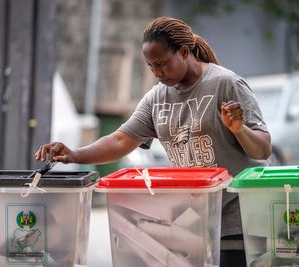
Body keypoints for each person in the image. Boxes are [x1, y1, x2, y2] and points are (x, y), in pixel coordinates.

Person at [35, 16, 271, 266]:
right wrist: (75, 154)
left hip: (240, 220)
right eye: (151, 66)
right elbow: (120, 140)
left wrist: (239, 130)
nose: (157, 73)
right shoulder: (157, 98)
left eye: (162, 64)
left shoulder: (225, 84)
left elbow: (263, 148)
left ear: (183, 52)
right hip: (194, 221)